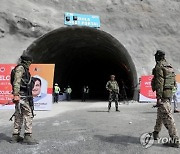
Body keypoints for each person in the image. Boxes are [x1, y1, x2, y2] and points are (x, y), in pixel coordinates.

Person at [151, 50, 179, 148]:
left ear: (158, 57)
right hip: (169, 93)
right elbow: (174, 82)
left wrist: (158, 97)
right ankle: (156, 132)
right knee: (160, 113)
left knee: (167, 116)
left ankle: (175, 140)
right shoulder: (169, 66)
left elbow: (160, 82)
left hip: (163, 95)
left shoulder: (159, 66)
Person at [10, 55, 38, 145]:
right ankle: (27, 135)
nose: (30, 64)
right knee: (28, 114)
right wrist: (16, 94)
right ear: (26, 61)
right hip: (22, 96)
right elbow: (17, 81)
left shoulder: (22, 69)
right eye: (29, 62)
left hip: (22, 95)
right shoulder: (21, 68)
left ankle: (15, 136)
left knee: (18, 114)